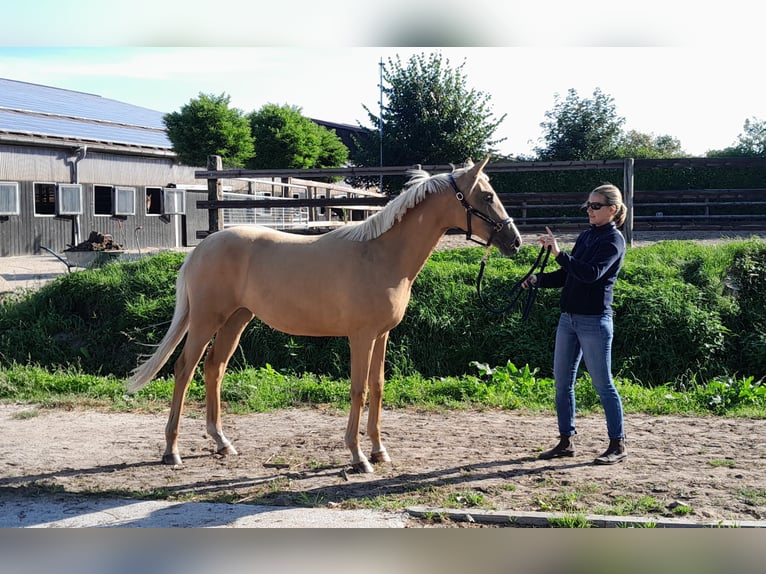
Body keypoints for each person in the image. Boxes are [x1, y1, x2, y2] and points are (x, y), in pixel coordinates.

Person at [522, 183, 628, 465]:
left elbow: (591, 274)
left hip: (594, 321)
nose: (590, 211)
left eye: (595, 206)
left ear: (612, 210)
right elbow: (569, 275)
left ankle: (618, 443)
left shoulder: (613, 241)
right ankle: (565, 441)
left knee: (603, 384)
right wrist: (538, 280)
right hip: (568, 319)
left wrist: (559, 254)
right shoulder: (586, 237)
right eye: (588, 206)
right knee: (562, 383)